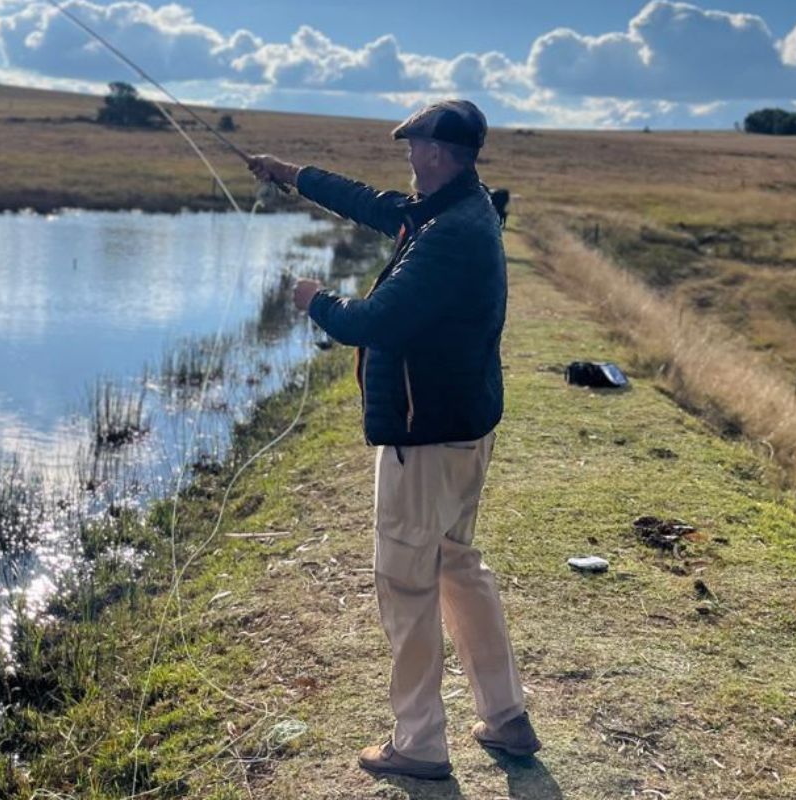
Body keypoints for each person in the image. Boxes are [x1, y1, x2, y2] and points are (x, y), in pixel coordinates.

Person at [248, 99, 538, 782]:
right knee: (457, 565)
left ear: (438, 151)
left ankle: (420, 745)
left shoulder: (448, 235)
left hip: (425, 439)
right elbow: (371, 204)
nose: (407, 157)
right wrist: (290, 174)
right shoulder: (460, 210)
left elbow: (375, 320)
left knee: (406, 585)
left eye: (413, 146)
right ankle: (506, 717)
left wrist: (316, 301)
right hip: (459, 431)